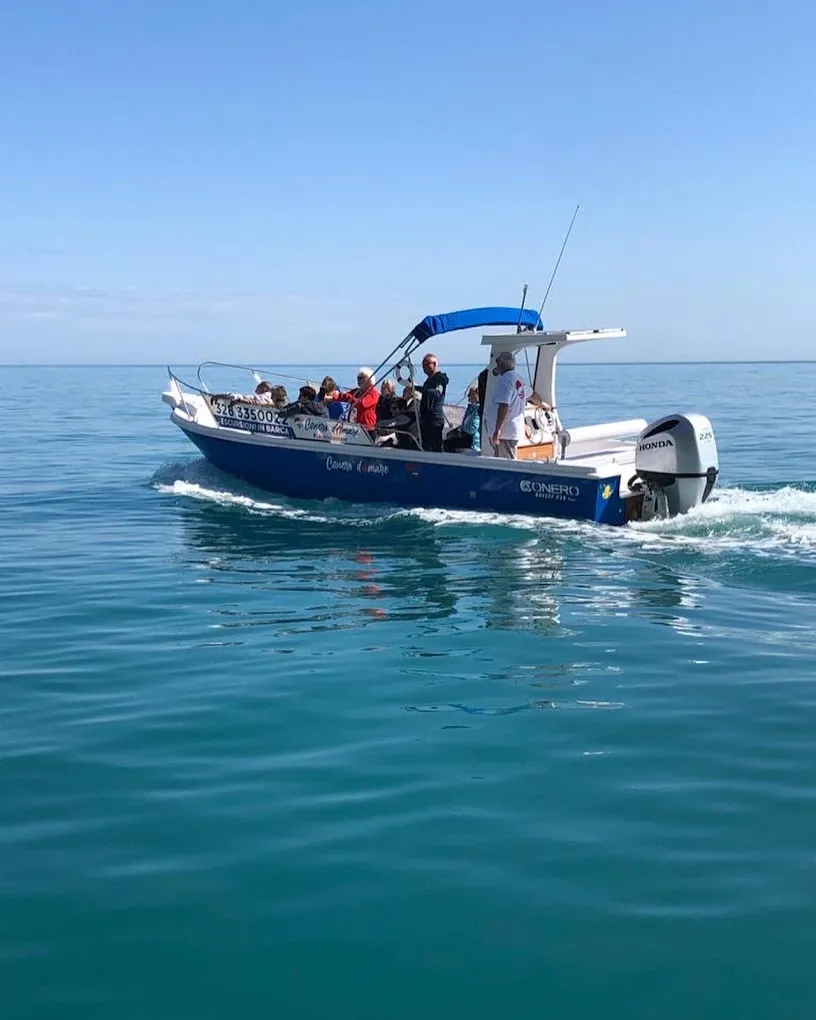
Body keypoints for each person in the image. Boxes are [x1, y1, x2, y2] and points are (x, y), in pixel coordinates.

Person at [486, 351, 528, 459]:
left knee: (506, 462)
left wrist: (497, 430)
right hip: (512, 430)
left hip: (506, 432)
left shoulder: (505, 380)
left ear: (501, 363)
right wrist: (543, 404)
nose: (496, 364)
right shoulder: (518, 378)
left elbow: (504, 405)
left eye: (497, 360)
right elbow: (531, 394)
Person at [415, 352, 448, 452]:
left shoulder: (440, 379)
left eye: (426, 365)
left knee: (435, 446)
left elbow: (437, 393)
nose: (424, 368)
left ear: (434, 364)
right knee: (425, 446)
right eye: (423, 365)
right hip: (426, 420)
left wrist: (417, 388)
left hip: (435, 420)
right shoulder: (428, 381)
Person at [443, 385, 481, 452]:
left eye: (470, 394)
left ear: (476, 395)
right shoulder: (470, 408)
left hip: (471, 440)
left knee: (448, 444)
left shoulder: (477, 410)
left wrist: (461, 431)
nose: (468, 396)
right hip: (466, 437)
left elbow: (473, 428)